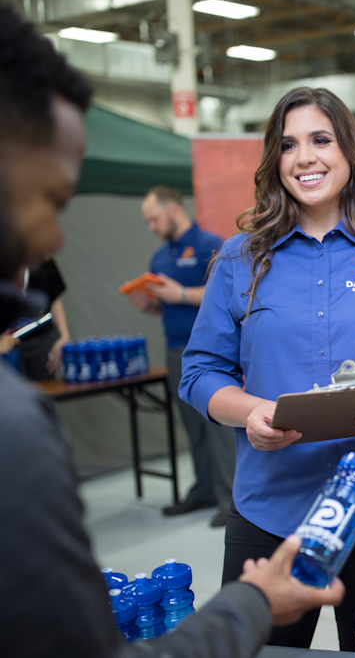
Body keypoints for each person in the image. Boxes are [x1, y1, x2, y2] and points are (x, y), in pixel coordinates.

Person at [0, 4, 343, 657]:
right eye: (50, 199)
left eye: (322, 140)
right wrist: (253, 605)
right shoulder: (239, 255)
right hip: (247, 462)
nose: (55, 239)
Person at [179, 86, 355, 650]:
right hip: (270, 512)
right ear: (274, 160)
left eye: (320, 140)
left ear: (349, 151)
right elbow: (200, 372)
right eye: (288, 145)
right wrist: (252, 412)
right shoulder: (240, 257)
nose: (304, 157)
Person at [127, 185, 236, 527]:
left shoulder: (210, 245)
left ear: (173, 209)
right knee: (193, 426)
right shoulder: (159, 258)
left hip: (210, 350)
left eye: (154, 219)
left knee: (218, 426)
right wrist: (150, 306)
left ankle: (230, 499)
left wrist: (181, 294)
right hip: (175, 349)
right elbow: (166, 305)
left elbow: (227, 294)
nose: (152, 227)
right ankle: (204, 490)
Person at [0, 257, 71, 380]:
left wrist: (64, 336)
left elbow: (53, 298)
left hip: (42, 341)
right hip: (9, 344)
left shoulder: (42, 258)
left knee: (46, 388)